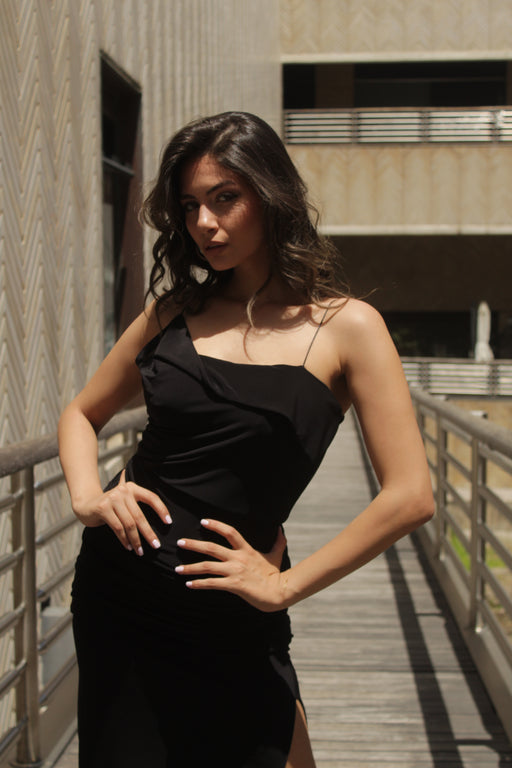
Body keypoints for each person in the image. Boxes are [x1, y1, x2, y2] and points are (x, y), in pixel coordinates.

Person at [58, 111, 434, 768]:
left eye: (224, 198)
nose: (204, 223)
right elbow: (82, 414)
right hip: (119, 591)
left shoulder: (349, 328)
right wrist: (89, 497)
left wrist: (285, 587)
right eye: (190, 206)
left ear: (271, 194)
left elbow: (410, 496)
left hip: (236, 609)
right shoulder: (175, 312)